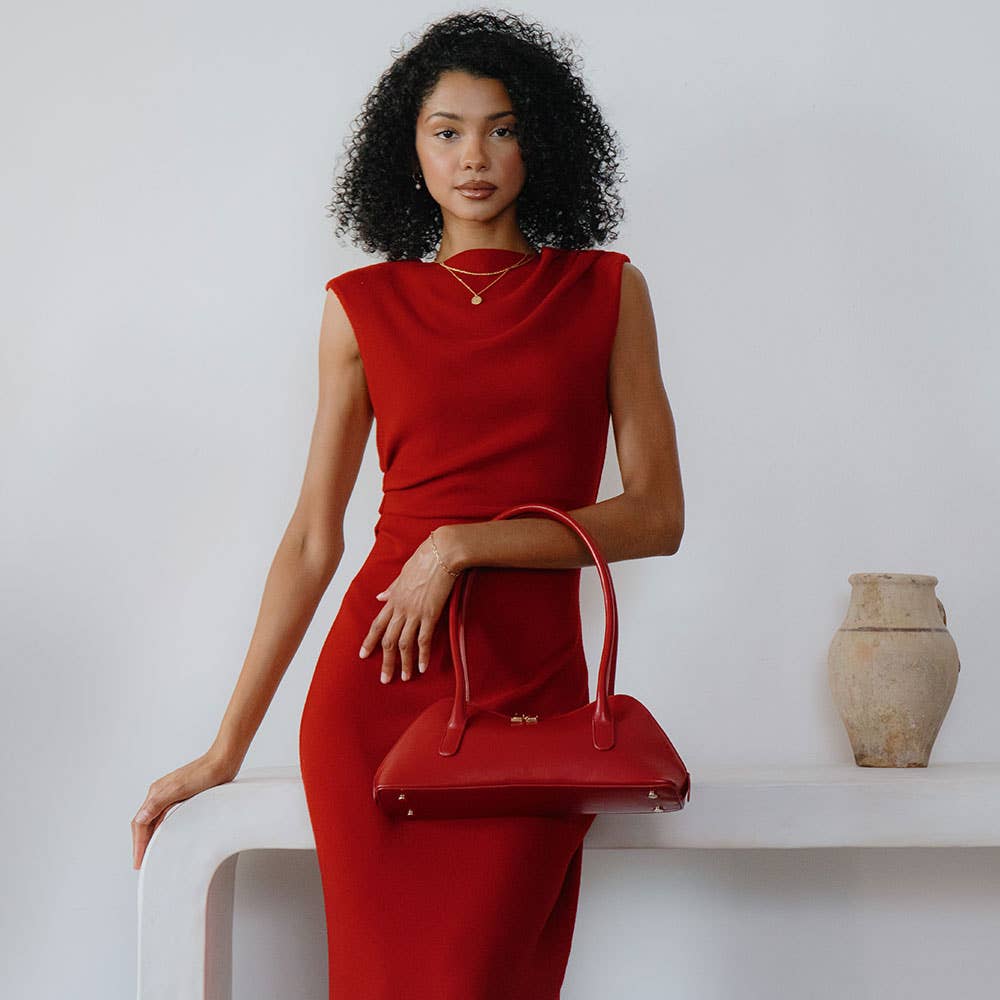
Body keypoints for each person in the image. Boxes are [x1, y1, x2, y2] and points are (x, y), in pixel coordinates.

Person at [131, 10, 684, 999]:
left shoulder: (605, 293)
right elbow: (311, 539)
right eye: (446, 129)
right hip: (374, 698)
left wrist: (464, 543)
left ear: (540, 141)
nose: (474, 155)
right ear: (411, 146)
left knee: (479, 976)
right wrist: (224, 749)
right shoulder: (360, 308)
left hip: (528, 699)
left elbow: (656, 516)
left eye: (502, 127)